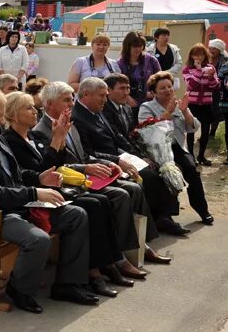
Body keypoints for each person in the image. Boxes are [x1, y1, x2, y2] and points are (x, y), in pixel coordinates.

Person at [0, 87, 96, 313]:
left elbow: (16, 175)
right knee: (38, 240)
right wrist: (34, 193)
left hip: (16, 204)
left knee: (76, 215)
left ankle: (68, 283)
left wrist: (40, 178)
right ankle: (19, 290)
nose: (2, 121)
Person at [4, 92, 132, 296]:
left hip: (55, 189)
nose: (35, 111)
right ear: (12, 113)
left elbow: (58, 163)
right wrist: (57, 139)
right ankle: (92, 272)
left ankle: (109, 263)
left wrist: (60, 139)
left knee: (101, 201)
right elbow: (42, 171)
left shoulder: (34, 136)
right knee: (90, 206)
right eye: (28, 108)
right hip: (40, 197)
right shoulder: (10, 141)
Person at [34, 81, 163, 273]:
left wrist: (109, 163)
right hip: (71, 183)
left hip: (86, 176)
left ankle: (136, 246)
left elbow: (85, 155)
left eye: (72, 99)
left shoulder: (70, 124)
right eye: (66, 100)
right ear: (50, 104)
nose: (71, 104)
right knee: (119, 195)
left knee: (133, 187)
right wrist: (87, 167)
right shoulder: (40, 131)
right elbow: (56, 166)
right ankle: (118, 257)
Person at [74, 76, 187, 239]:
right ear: (86, 94)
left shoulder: (97, 111)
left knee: (164, 168)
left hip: (120, 155)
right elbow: (87, 153)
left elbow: (118, 137)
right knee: (149, 177)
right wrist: (118, 160)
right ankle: (151, 225)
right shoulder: (78, 117)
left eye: (106, 95)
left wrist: (140, 155)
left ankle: (163, 217)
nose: (105, 100)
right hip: (105, 163)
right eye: (102, 95)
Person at [139, 71, 212, 225]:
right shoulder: (146, 107)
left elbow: (193, 127)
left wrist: (185, 111)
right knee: (169, 172)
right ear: (153, 92)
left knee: (192, 169)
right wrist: (168, 113)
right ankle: (167, 215)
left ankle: (202, 209)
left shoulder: (179, 105)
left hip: (176, 147)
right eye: (162, 88)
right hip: (157, 150)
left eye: (169, 87)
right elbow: (148, 131)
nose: (168, 90)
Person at [182, 44, 220, 165]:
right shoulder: (187, 69)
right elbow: (191, 85)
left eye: (201, 54)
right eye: (196, 54)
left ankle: (201, 156)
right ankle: (191, 156)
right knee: (191, 131)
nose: (199, 57)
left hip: (206, 104)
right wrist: (198, 71)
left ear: (205, 55)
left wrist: (211, 77)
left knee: (205, 131)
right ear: (191, 56)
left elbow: (215, 87)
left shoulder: (210, 68)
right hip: (192, 104)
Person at [116, 31, 161, 109]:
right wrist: (127, 97)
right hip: (129, 105)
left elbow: (160, 80)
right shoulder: (120, 64)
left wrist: (154, 93)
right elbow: (117, 86)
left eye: (140, 46)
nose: (138, 49)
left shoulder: (151, 60)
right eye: (134, 47)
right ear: (128, 46)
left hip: (151, 104)